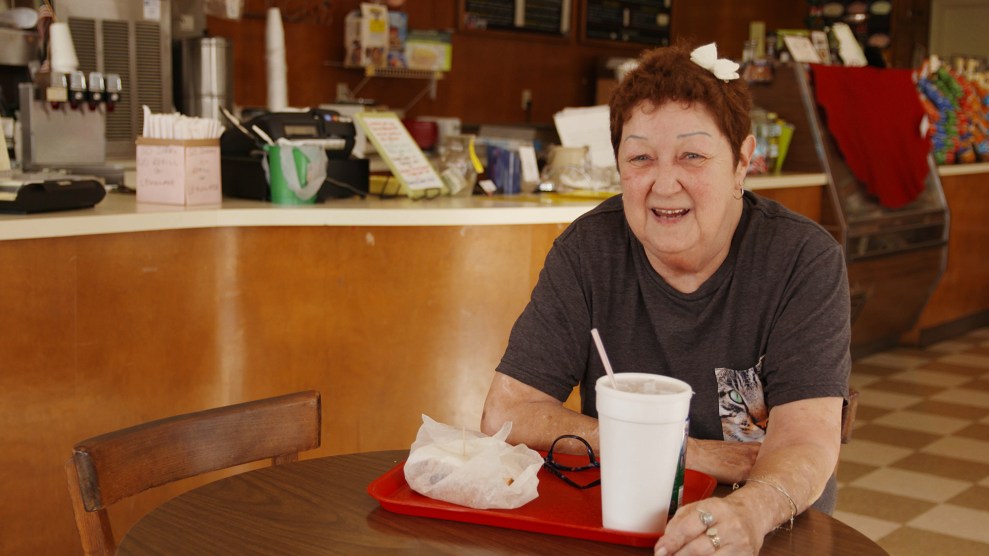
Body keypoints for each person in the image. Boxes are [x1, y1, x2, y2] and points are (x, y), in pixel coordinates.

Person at [481, 42, 850, 555]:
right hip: (625, 521)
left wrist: (747, 514)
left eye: (692, 156)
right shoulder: (589, 251)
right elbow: (507, 413)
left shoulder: (801, 260)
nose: (664, 183)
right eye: (641, 158)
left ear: (742, 161)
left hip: (768, 525)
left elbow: (805, 440)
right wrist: (686, 451)